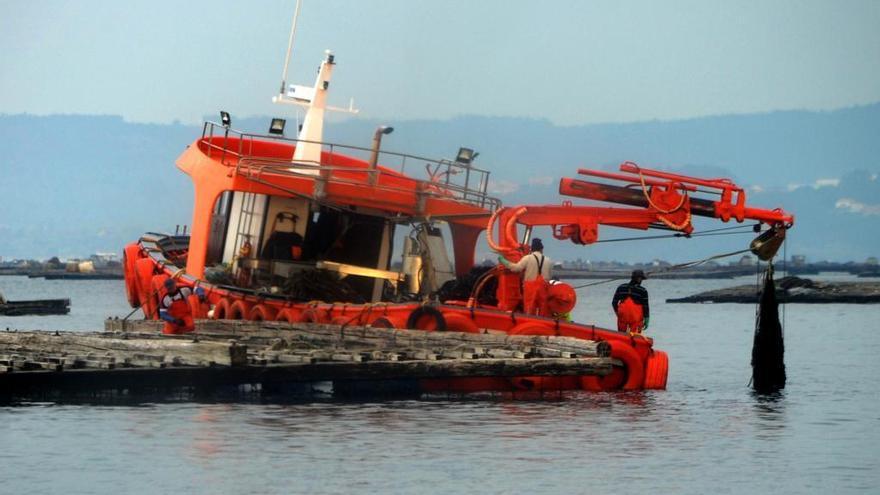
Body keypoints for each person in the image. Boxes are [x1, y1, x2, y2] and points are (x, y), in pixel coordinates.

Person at [499, 238, 552, 315]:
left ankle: (530, 322)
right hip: (543, 288)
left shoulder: (527, 258)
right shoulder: (548, 260)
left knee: (529, 309)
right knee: (543, 308)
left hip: (530, 288)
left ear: (532, 249)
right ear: (541, 249)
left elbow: (516, 268)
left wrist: (504, 261)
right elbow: (549, 276)